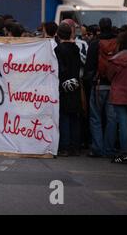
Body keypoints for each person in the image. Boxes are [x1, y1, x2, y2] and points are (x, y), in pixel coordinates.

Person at [84, 18, 118, 157]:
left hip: (98, 85)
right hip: (115, 85)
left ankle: (97, 148)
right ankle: (109, 149)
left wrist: (89, 81)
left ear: (100, 27)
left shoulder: (95, 43)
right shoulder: (117, 42)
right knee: (112, 119)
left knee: (95, 118)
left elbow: (89, 66)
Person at [55, 24, 82, 157]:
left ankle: (65, 146)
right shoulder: (75, 48)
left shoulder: (58, 49)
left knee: (64, 116)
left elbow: (59, 68)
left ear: (59, 35)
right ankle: (75, 146)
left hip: (63, 85)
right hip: (75, 84)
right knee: (74, 116)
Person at [107, 32, 127, 162]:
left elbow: (109, 76)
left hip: (119, 94)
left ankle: (124, 152)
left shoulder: (115, 59)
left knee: (123, 123)